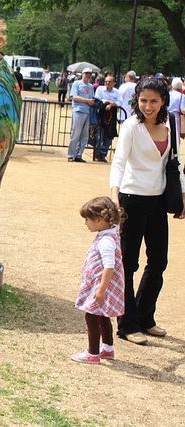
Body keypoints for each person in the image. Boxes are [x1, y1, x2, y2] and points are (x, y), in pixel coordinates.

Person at [110, 77, 185, 345]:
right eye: (143, 100)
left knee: (158, 262)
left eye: (154, 101)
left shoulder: (172, 123)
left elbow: (175, 161)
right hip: (132, 199)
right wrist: (115, 198)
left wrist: (182, 196)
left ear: (164, 100)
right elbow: (118, 163)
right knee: (128, 264)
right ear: (136, 100)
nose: (148, 106)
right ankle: (127, 324)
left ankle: (144, 316)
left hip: (158, 200)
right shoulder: (131, 125)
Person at [71, 196, 125, 364]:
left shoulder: (106, 241)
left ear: (100, 220)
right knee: (102, 316)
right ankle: (108, 349)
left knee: (92, 317)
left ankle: (92, 354)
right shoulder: (110, 234)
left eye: (88, 219)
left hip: (101, 286)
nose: (86, 223)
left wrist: (101, 290)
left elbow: (109, 266)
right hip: (102, 285)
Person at [68, 68, 95, 162]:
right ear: (82, 74)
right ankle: (71, 154)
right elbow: (74, 97)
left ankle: (79, 154)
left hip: (87, 111)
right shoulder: (76, 83)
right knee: (76, 134)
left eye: (89, 74)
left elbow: (92, 98)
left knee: (84, 136)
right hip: (78, 110)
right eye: (86, 74)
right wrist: (88, 101)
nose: (88, 75)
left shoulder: (91, 86)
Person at [94, 76, 122, 162]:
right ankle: (98, 154)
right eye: (106, 81)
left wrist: (112, 104)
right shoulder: (100, 89)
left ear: (114, 83)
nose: (107, 83)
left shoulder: (117, 92)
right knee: (100, 135)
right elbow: (98, 99)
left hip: (112, 115)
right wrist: (109, 102)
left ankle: (103, 154)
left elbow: (120, 102)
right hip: (102, 114)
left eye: (109, 82)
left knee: (109, 135)